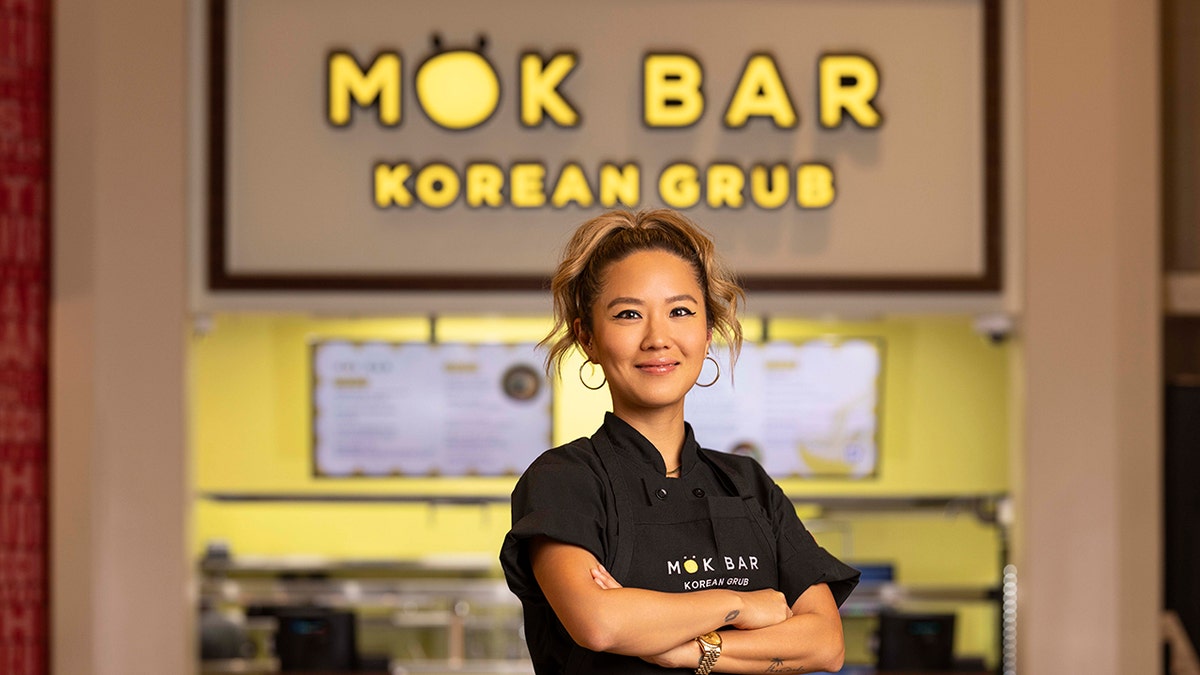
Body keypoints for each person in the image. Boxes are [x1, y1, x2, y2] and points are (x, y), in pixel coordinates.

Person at [500, 209, 859, 674]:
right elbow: (600, 623)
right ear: (586, 336)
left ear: (707, 333)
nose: (658, 338)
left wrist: (688, 649)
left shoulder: (746, 483)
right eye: (629, 314)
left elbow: (825, 644)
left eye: (680, 311)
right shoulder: (563, 480)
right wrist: (742, 606)